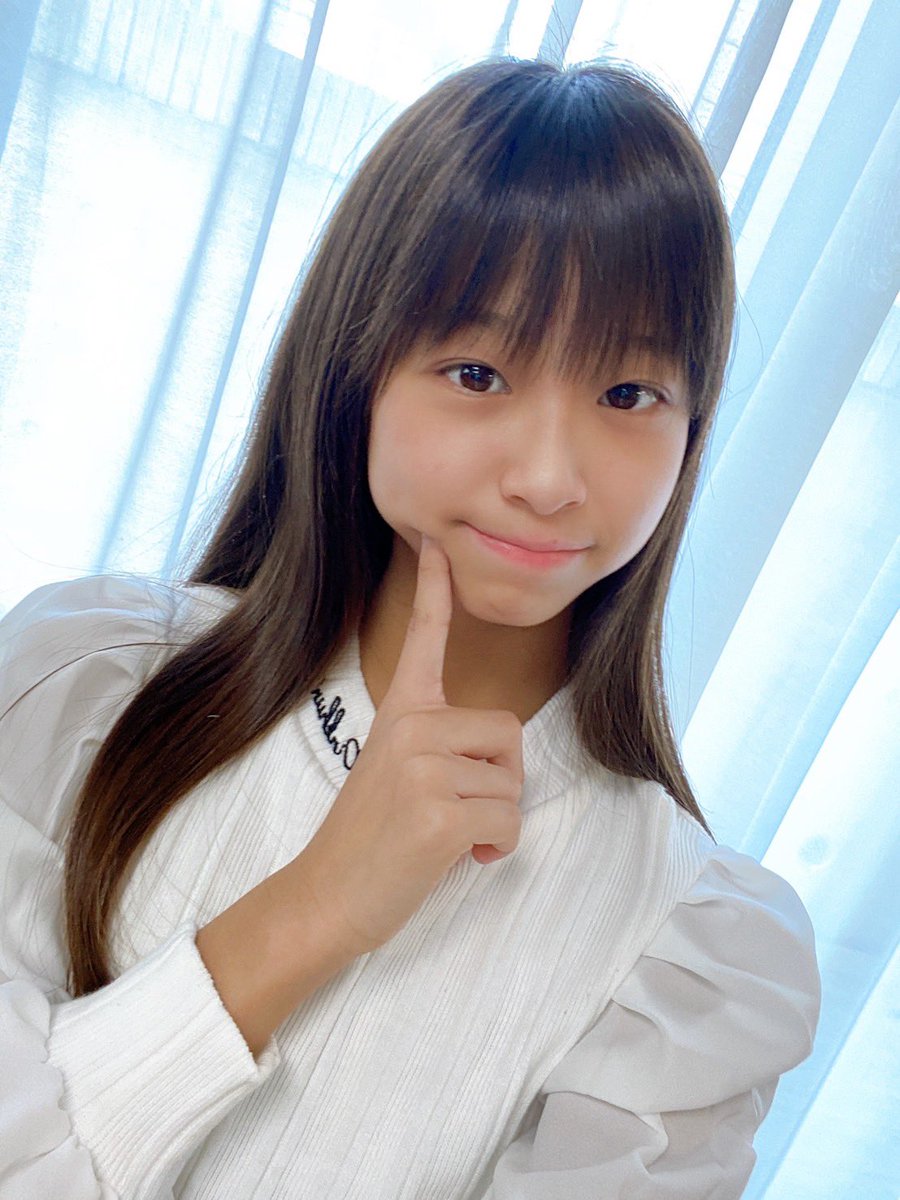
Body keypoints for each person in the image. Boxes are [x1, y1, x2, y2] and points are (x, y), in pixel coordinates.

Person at [0, 57, 819, 1199]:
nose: (547, 477)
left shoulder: (687, 956)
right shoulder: (88, 691)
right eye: (477, 373)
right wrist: (321, 902)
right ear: (358, 373)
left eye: (628, 395)